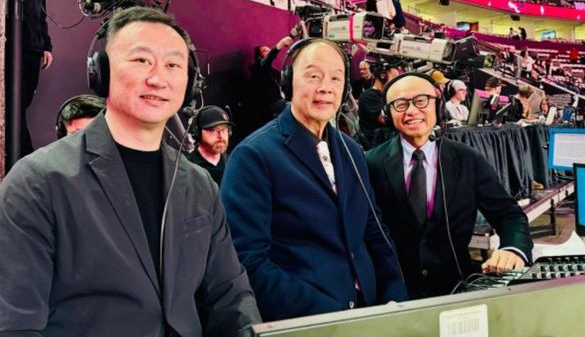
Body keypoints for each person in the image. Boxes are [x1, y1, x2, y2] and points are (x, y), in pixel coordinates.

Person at [0, 6, 261, 335]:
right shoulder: (38, 181)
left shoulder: (199, 185)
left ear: (189, 82)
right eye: (141, 60)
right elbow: (15, 325)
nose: (158, 78)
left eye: (173, 65)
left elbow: (231, 295)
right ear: (101, 72)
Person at [221, 38, 408, 322]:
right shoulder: (253, 156)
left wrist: (395, 295)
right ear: (288, 83)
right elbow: (248, 262)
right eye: (313, 76)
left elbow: (373, 232)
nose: (326, 87)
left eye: (336, 78)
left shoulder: (351, 150)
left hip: (370, 313)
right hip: (310, 319)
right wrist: (333, 317)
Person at [366, 72, 533, 298]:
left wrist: (513, 249)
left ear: (438, 106)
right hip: (392, 294)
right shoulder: (369, 163)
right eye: (401, 104)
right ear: (388, 114)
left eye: (421, 100)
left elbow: (509, 215)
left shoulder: (468, 159)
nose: (412, 111)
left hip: (457, 289)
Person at [1, 0, 53, 156]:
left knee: (19, 107)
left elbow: (40, 11)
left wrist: (45, 45)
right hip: (9, 52)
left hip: (31, 52)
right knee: (10, 108)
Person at [247, 35, 293, 128]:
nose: (268, 50)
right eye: (264, 51)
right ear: (259, 56)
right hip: (269, 104)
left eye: (268, 49)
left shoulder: (275, 72)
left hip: (280, 101)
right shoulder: (259, 68)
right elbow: (268, 59)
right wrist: (280, 44)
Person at [187, 105, 233, 187]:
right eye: (213, 130)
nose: (220, 135)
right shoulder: (185, 166)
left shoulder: (233, 163)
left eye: (223, 129)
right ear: (198, 132)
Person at [358, 61, 399, 149]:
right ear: (382, 76)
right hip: (379, 144)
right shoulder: (368, 96)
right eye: (394, 77)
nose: (397, 82)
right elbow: (386, 120)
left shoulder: (387, 95)